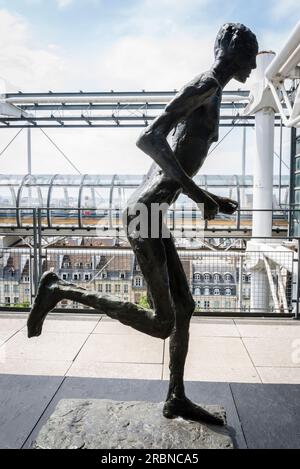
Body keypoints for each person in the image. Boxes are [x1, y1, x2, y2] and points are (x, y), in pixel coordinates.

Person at [27, 23, 258, 426]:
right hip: (144, 213)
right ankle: (57, 288)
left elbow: (170, 162)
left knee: (185, 307)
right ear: (236, 55)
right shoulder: (205, 84)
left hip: (154, 212)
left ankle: (176, 397)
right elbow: (149, 138)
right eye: (252, 57)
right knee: (163, 323)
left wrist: (208, 197)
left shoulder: (213, 90)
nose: (255, 67)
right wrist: (201, 197)